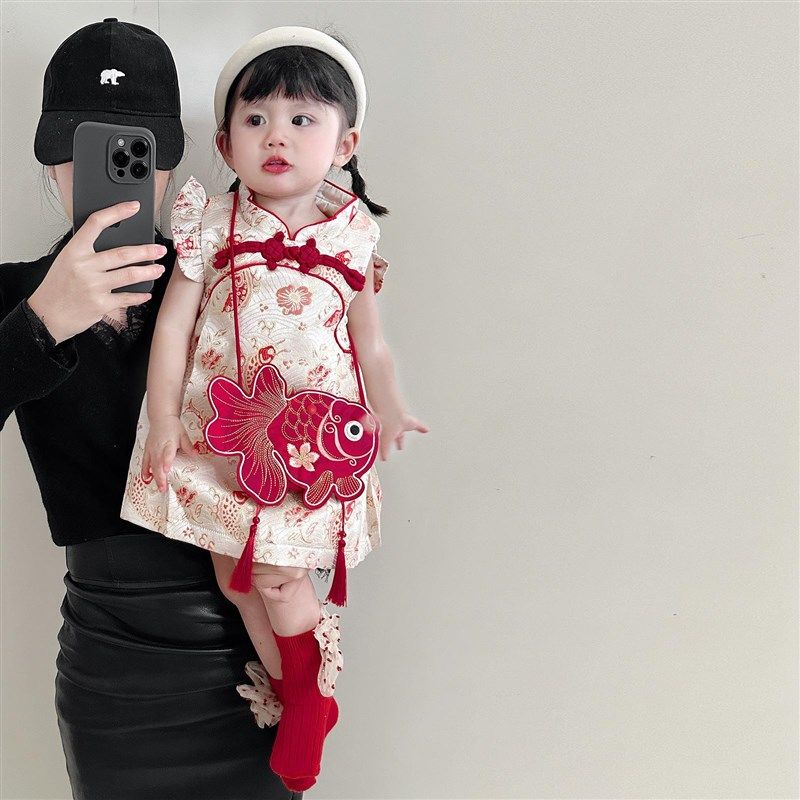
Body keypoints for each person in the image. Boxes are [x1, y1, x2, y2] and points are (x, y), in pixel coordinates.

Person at [118, 26, 429, 791]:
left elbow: (371, 345)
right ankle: (298, 693)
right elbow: (173, 328)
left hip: (310, 443)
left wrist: (392, 407)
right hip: (220, 434)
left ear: (345, 143)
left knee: (283, 577)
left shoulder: (353, 236)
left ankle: (307, 701)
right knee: (236, 576)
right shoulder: (210, 224)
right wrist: (163, 418)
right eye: (255, 119)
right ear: (227, 144)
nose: (277, 136)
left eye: (301, 118)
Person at [0, 18, 302, 800]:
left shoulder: (230, 284)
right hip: (109, 668)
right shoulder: (12, 298)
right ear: (49, 156)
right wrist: (39, 325)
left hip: (243, 645)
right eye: (83, 147)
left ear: (166, 162)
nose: (106, 172)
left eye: (133, 151)